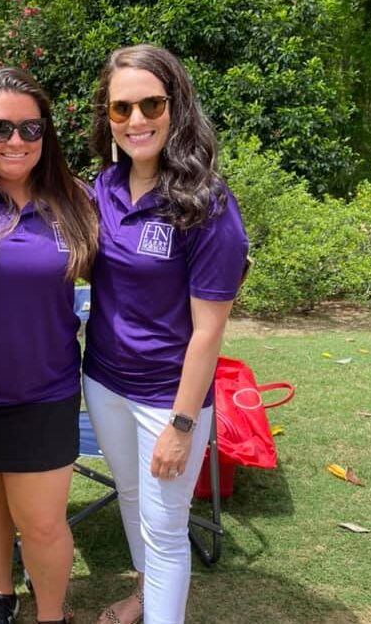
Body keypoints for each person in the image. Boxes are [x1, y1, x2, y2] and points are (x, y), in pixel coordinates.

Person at [83, 44, 249, 624]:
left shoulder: (208, 205)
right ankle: (144, 595)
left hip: (166, 398)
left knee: (167, 529)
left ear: (176, 106)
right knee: (131, 498)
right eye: (121, 108)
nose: (136, 120)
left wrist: (181, 427)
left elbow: (208, 333)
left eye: (151, 104)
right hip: (103, 382)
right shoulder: (103, 188)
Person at [0, 67, 97, 624]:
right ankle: (0, 594)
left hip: (44, 393)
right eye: (0, 127)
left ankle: (50, 615)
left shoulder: (72, 200)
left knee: (43, 523)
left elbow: (132, 271)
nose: (16, 141)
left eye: (31, 129)